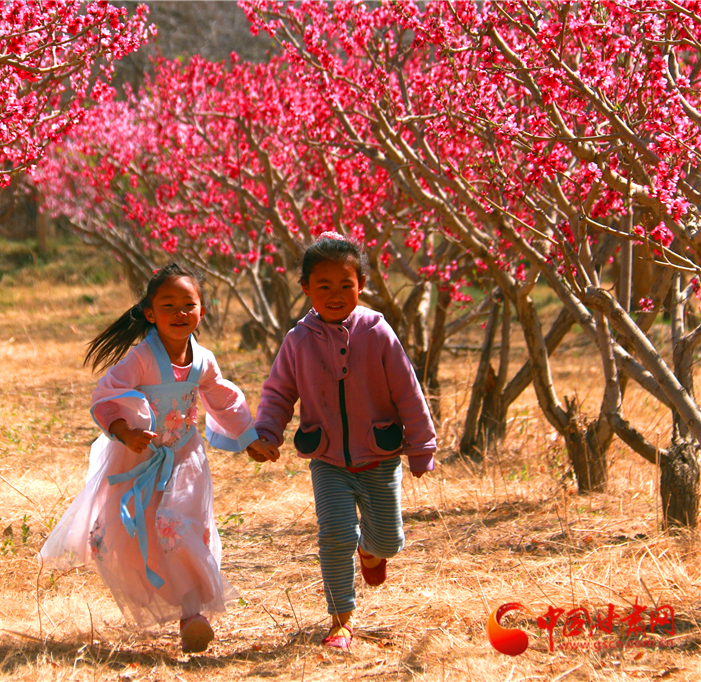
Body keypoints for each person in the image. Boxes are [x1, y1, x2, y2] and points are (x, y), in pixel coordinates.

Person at [39, 263, 278, 654]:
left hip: (185, 456)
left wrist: (249, 438)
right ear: (150, 313)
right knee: (149, 535)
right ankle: (182, 603)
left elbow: (222, 399)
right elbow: (105, 395)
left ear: (202, 311)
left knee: (178, 525)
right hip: (140, 459)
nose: (180, 313)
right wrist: (125, 432)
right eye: (168, 305)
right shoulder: (141, 358)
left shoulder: (203, 360)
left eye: (189, 305)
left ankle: (192, 614)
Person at [251, 233, 436, 650]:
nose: (335, 295)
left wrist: (422, 445)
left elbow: (407, 390)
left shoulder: (377, 331)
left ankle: (372, 551)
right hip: (328, 460)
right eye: (324, 286)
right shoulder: (298, 340)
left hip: (380, 455)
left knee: (389, 540)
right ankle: (340, 620)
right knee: (335, 536)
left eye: (345, 285)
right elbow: (279, 393)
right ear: (305, 288)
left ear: (362, 285)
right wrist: (267, 433)